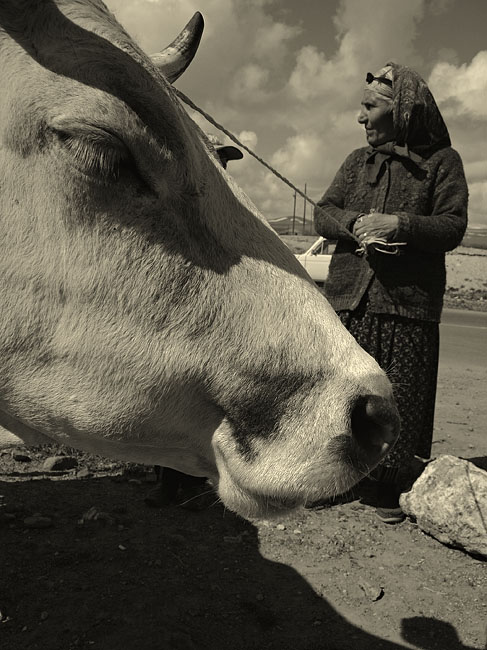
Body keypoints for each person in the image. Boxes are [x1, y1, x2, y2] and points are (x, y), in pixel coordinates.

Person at [313, 62, 468, 523]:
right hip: (350, 299)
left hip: (407, 304)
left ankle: (388, 485)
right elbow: (324, 211)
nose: (361, 118)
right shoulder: (357, 162)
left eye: (369, 107)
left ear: (400, 110)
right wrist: (354, 223)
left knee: (399, 397)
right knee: (340, 394)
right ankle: (335, 478)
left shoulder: (444, 163)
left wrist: (401, 224)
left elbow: (453, 226)